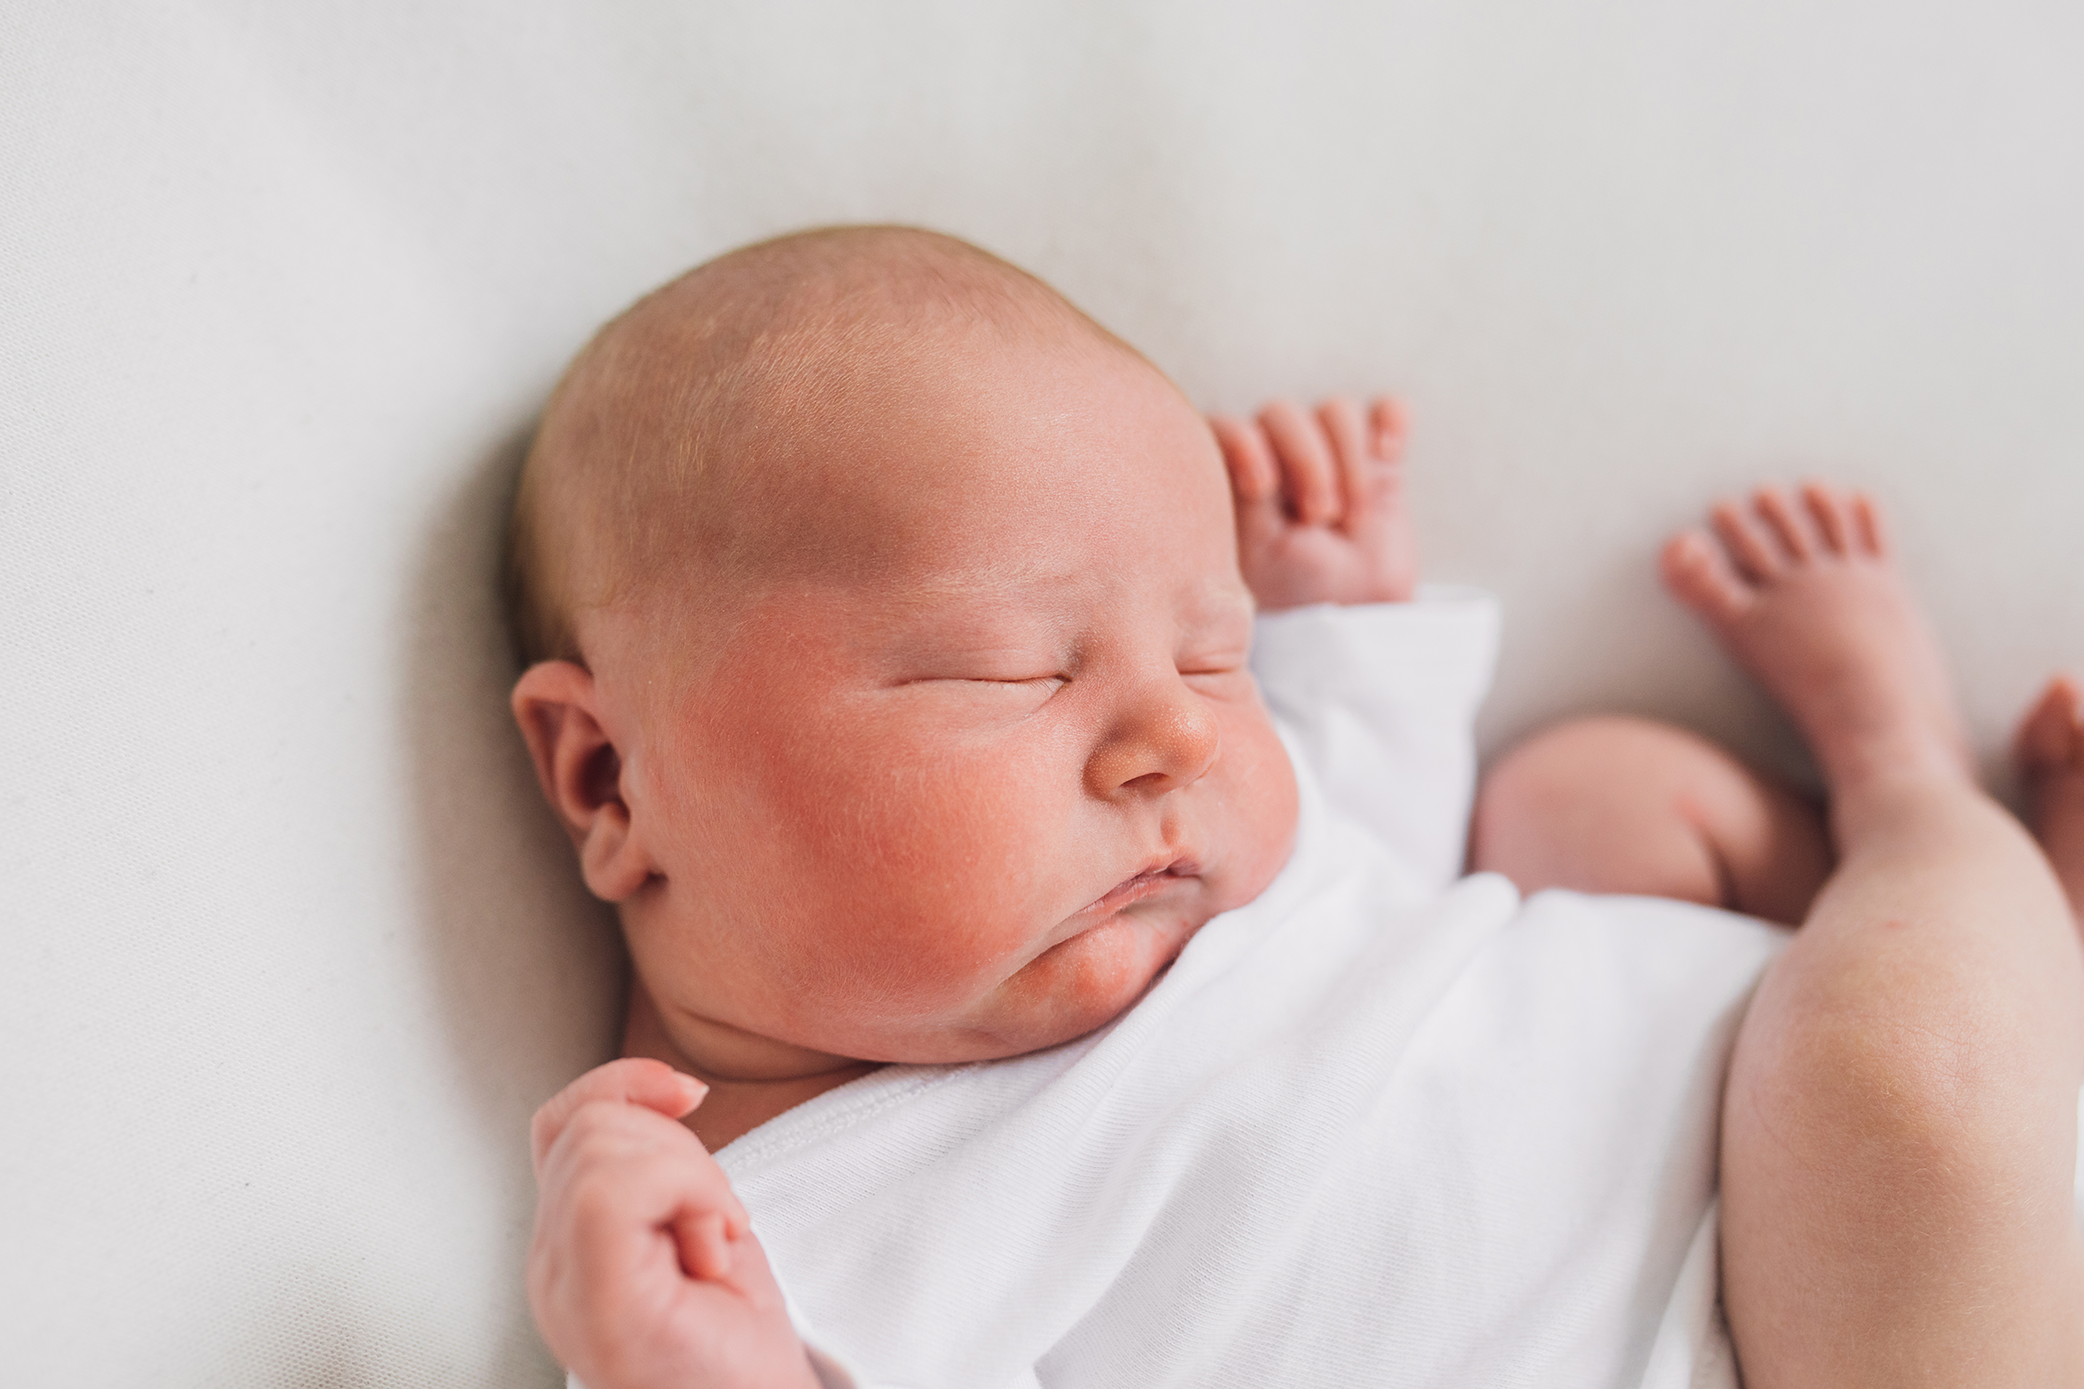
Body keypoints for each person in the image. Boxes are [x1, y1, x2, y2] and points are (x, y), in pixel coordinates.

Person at [508, 225, 2084, 1388]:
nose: (1173, 741)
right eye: (1007, 674)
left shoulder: (1176, 893)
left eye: (1218, 651)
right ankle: (1933, 812)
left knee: (1593, 803)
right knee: (1910, 1077)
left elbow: (1367, 910)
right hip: (1862, 1313)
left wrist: (1340, 632)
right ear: (608, 776)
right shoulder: (747, 1260)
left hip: (1759, 1149)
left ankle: (1961, 866)